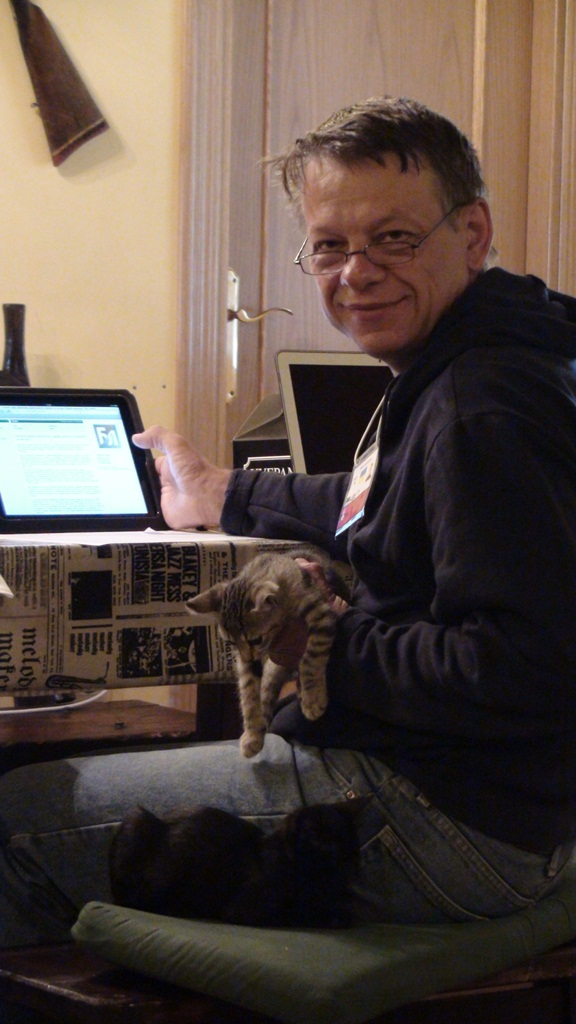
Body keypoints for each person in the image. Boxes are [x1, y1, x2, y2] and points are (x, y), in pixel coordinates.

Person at [2, 97, 576, 959]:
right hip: (512, 806)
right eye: (330, 245)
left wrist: (322, 646)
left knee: (18, 816)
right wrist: (219, 490)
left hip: (458, 824)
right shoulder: (498, 350)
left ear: (473, 232)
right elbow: (376, 498)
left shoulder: (477, 404)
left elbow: (524, 668)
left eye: (394, 239)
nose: (357, 273)